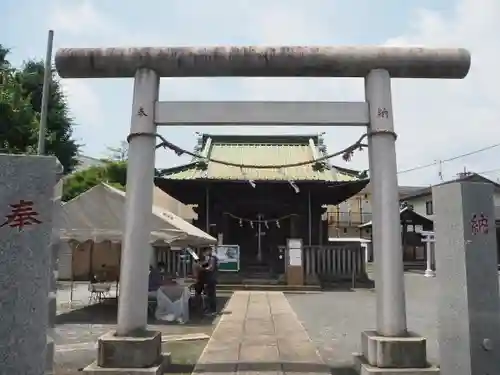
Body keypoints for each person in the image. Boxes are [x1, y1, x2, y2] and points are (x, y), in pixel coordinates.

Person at [202, 247, 218, 316]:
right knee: (210, 295)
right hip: (210, 279)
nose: (205, 254)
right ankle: (211, 310)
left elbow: (211, 268)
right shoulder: (211, 258)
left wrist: (203, 268)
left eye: (206, 252)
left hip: (211, 279)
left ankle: (212, 310)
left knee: (210, 295)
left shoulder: (212, 258)